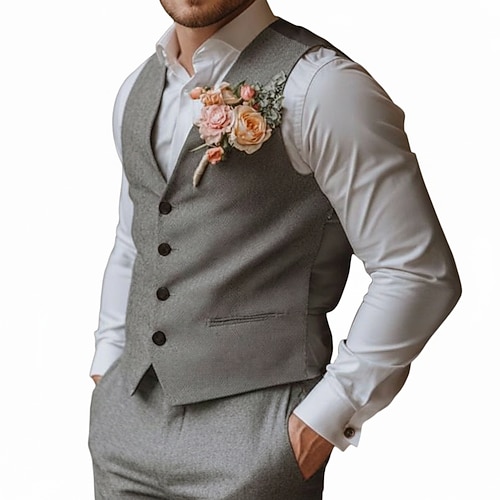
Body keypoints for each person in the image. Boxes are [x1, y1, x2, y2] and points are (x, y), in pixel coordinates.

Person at [87, 0, 461, 498]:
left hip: (255, 441)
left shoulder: (325, 89)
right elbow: (135, 238)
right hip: (126, 434)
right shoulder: (135, 88)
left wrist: (320, 422)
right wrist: (108, 365)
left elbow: (417, 272)